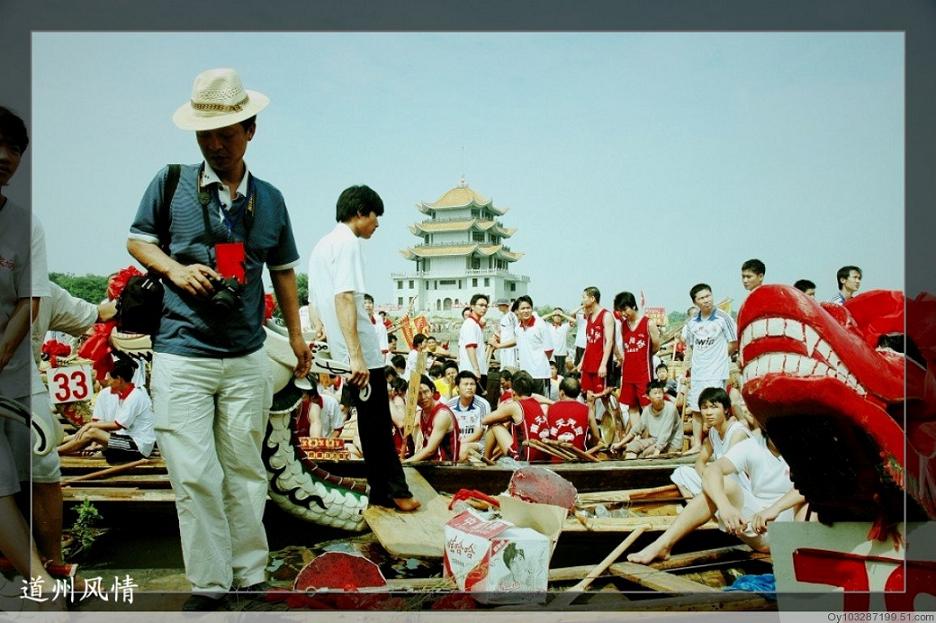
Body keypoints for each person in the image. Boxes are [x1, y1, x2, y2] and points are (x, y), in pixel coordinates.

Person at [126, 69, 312, 608]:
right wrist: (175, 271)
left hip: (246, 355)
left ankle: (250, 577)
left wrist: (296, 336)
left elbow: (282, 272)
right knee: (195, 476)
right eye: (206, 133)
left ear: (250, 130)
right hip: (182, 354)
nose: (216, 143)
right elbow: (138, 240)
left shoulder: (271, 199)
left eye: (227, 132)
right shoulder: (170, 182)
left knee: (246, 472)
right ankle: (209, 587)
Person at [308, 185, 418, 512]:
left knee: (371, 424)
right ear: (360, 213)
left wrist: (331, 341)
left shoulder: (322, 246)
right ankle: (395, 490)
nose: (377, 224)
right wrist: (356, 355)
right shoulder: (347, 243)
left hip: (344, 349)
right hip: (361, 354)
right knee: (377, 423)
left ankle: (381, 491)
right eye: (375, 216)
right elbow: (343, 297)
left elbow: (317, 304)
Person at [0, 105, 61, 591]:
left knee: (44, 464)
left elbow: (29, 302)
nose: (6, 157)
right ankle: (37, 579)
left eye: (15, 149)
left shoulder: (25, 224)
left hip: (18, 372)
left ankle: (54, 560)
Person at [629, 432, 806, 563]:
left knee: (809, 499)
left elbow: (817, 483)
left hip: (793, 531)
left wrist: (775, 508)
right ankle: (663, 545)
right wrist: (724, 506)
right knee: (722, 484)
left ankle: (802, 562)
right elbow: (711, 471)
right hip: (760, 527)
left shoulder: (806, 444)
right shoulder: (754, 445)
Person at [57, 359, 156, 463]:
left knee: (92, 432)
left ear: (119, 379)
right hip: (126, 442)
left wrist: (90, 425)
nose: (108, 381)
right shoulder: (124, 395)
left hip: (137, 447)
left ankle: (55, 452)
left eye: (110, 378)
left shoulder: (135, 396)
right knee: (91, 433)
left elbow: (117, 425)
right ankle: (57, 450)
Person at [682, 284, 738, 455]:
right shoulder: (692, 323)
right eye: (702, 298)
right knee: (697, 409)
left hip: (716, 372)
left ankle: (722, 443)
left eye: (708, 296)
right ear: (695, 302)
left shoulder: (723, 318)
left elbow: (734, 342)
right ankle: (697, 445)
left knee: (717, 408)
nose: (706, 300)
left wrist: (720, 357)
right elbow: (692, 346)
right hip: (699, 372)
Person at [670, 387, 751, 499]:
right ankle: (700, 508)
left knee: (726, 478)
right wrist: (706, 478)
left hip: (741, 490)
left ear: (726, 409)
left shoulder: (737, 432)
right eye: (704, 407)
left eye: (714, 407)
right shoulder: (713, 432)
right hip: (718, 483)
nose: (708, 413)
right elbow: (700, 462)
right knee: (680, 473)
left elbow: (727, 468)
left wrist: (709, 479)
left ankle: (707, 510)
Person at [614, 291, 661, 435]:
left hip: (643, 372)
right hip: (628, 372)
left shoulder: (649, 323)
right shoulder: (623, 325)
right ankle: (638, 436)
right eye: (620, 311)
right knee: (632, 406)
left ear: (633, 305)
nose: (623, 313)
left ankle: (650, 435)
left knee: (646, 405)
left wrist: (643, 355)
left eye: (625, 309)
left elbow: (656, 346)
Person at [481, 370, 549, 462]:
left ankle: (486, 461)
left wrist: (505, 417)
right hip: (543, 456)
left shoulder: (514, 406)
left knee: (494, 425)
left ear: (513, 392)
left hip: (524, 458)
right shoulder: (537, 403)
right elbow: (535, 396)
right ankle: (489, 459)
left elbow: (484, 420)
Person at [494, 295, 552, 396]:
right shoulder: (518, 328)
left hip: (540, 374)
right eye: (523, 308)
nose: (526, 311)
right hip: (525, 374)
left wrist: (540, 363)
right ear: (517, 311)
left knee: (541, 404)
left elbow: (549, 349)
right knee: (527, 402)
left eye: (528, 308)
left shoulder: (540, 324)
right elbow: (517, 340)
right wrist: (499, 345)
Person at [612, 380, 683, 459]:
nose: (658, 395)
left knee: (644, 454)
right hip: (655, 440)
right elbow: (636, 429)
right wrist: (620, 444)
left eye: (660, 393)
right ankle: (631, 466)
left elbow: (665, 434)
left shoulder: (670, 408)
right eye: (655, 393)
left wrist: (656, 454)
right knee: (632, 446)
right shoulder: (647, 410)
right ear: (648, 396)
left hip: (670, 442)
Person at [405, 375, 461, 462]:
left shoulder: (442, 414)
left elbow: (430, 450)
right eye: (419, 394)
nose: (423, 397)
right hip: (431, 463)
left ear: (432, 391)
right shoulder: (421, 414)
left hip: (446, 466)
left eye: (426, 392)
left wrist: (405, 463)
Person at [546, 376, 598, 456]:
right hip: (580, 460)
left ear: (561, 392)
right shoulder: (587, 410)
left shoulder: (549, 409)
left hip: (554, 462)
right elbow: (596, 437)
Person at [444, 370, 490, 451]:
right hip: (455, 444)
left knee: (463, 449)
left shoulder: (483, 404)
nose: (469, 387)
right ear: (457, 388)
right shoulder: (449, 405)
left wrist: (458, 444)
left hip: (477, 444)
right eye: (466, 384)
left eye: (472, 384)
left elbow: (478, 434)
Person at [458, 294, 490, 386]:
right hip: (472, 372)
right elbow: (470, 347)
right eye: (481, 305)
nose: (484, 308)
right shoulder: (470, 324)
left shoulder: (476, 325)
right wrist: (476, 369)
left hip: (479, 370)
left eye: (486, 306)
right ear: (472, 306)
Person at [492, 298, 519, 371]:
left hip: (511, 346)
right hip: (503, 345)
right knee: (504, 365)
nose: (498, 307)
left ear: (505, 305)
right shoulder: (503, 316)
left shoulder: (511, 316)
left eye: (500, 305)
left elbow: (516, 330)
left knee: (511, 365)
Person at [546, 308, 573, 374]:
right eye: (556, 315)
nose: (558, 317)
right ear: (552, 317)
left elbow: (574, 321)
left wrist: (562, 314)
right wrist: (553, 313)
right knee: (550, 374)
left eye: (559, 316)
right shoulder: (548, 326)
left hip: (562, 355)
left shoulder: (565, 326)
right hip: (551, 355)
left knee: (561, 374)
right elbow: (540, 319)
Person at [364, 294, 390, 363]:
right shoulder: (357, 324)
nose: (367, 305)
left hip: (375, 362)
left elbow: (383, 348)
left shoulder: (380, 326)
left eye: (370, 302)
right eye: (364, 303)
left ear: (373, 305)